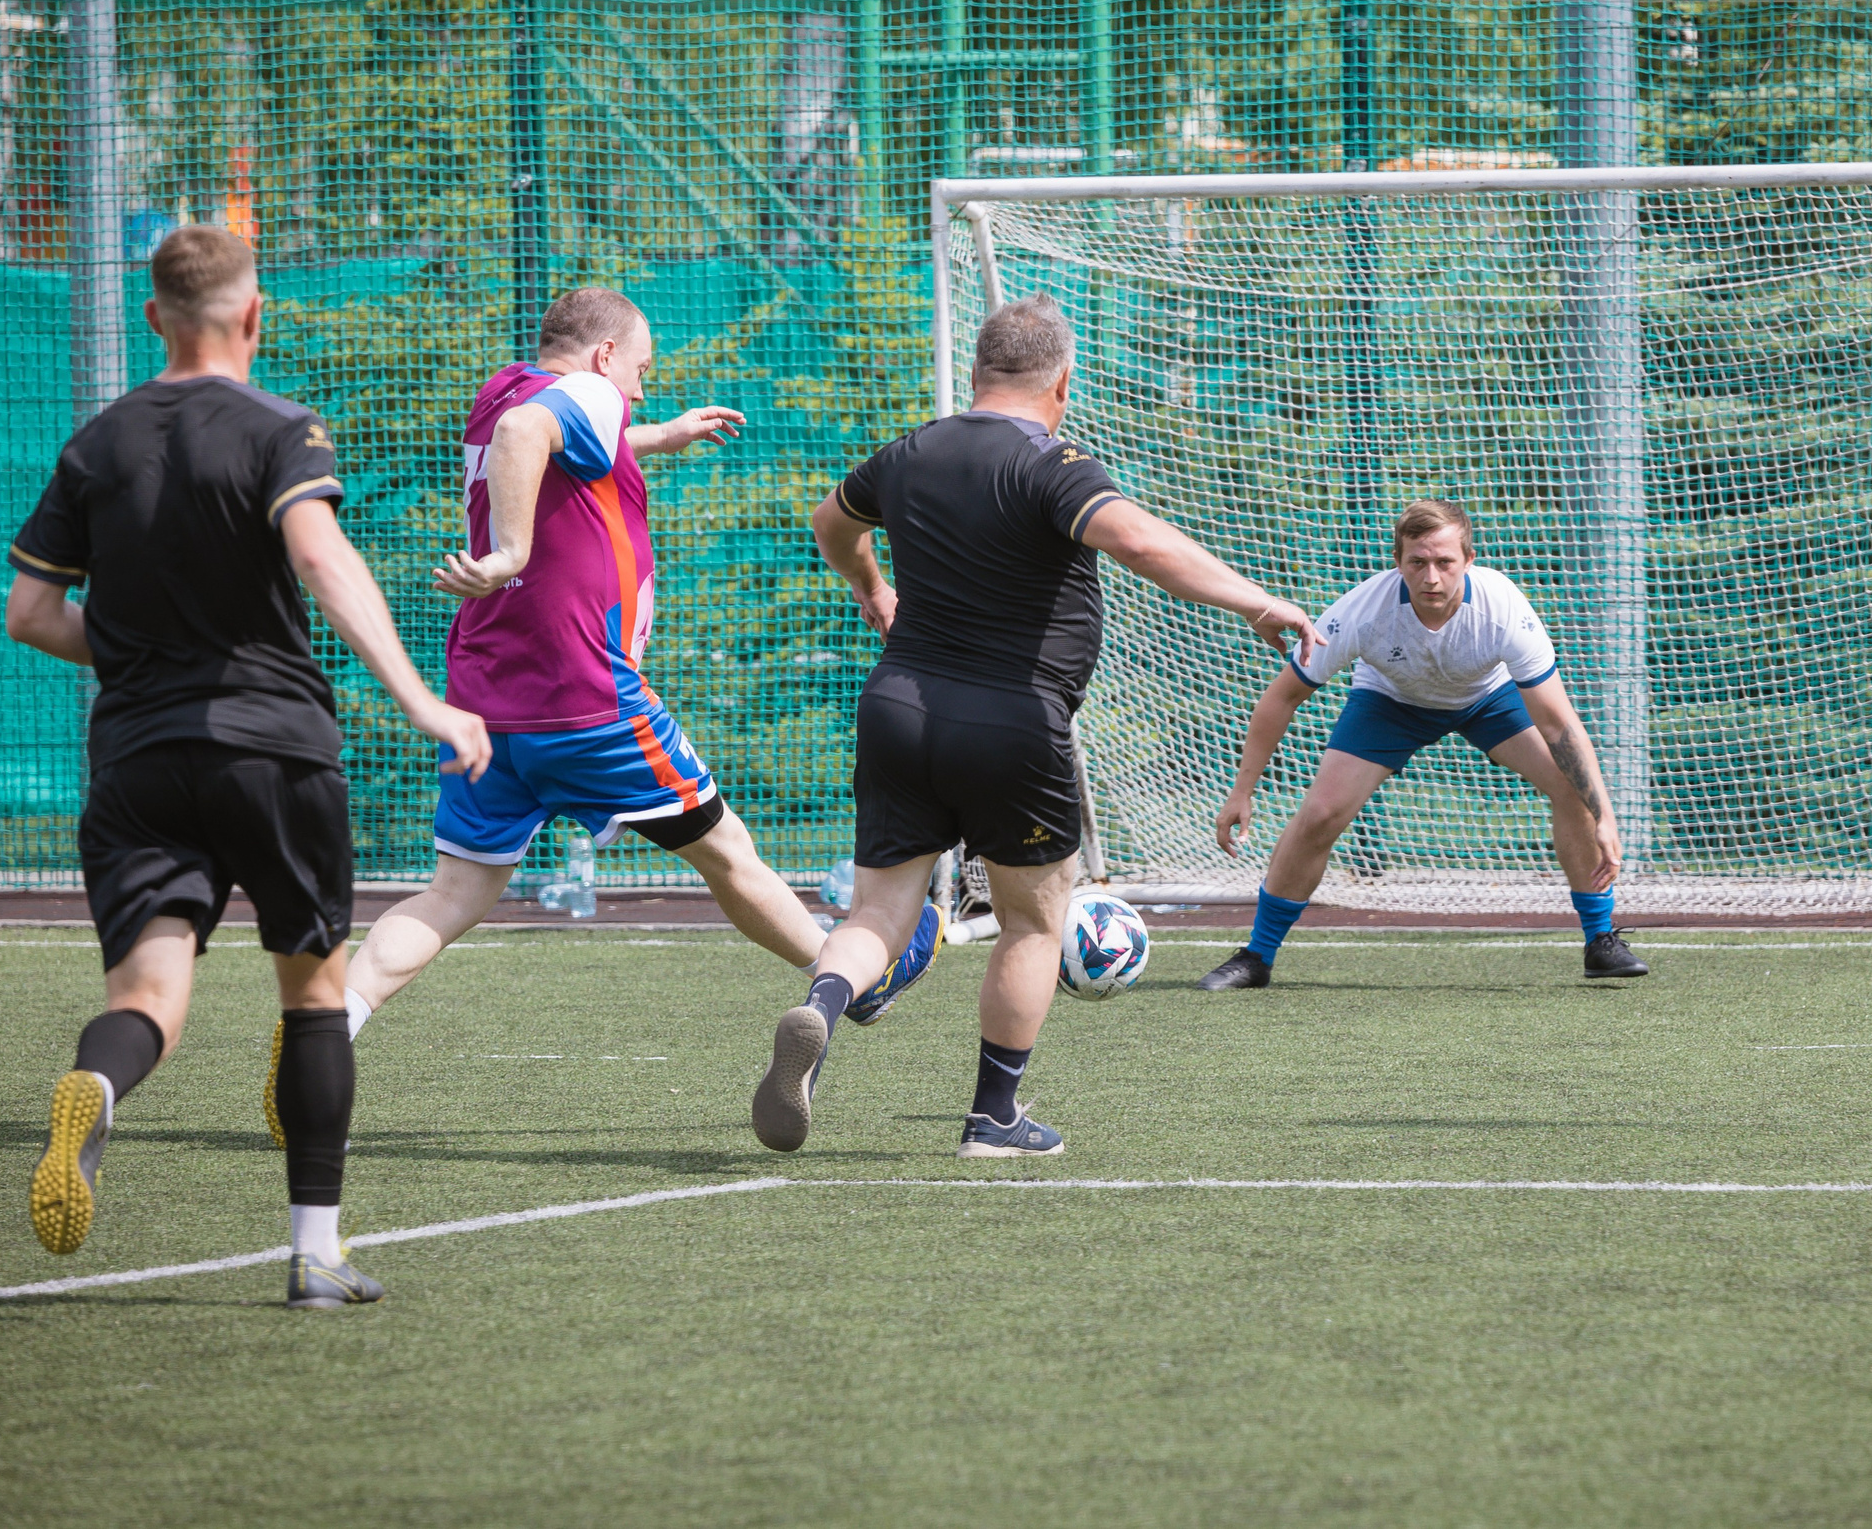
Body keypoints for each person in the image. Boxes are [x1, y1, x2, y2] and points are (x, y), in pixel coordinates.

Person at [264, 288, 939, 1137]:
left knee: (453, 892)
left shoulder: (503, 389)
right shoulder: (575, 395)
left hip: (487, 702)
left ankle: (330, 1028)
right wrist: (510, 553)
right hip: (587, 702)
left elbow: (540, 436)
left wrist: (660, 436)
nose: (642, 391)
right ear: (605, 355)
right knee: (730, 855)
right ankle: (850, 981)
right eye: (641, 371)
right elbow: (534, 434)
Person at [4, 225, 491, 1309]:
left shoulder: (96, 443)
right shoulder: (280, 427)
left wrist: (141, 653)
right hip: (272, 749)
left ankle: (98, 1084)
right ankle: (315, 1254)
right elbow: (318, 552)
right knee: (313, 998)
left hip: (137, 757)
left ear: (153, 318)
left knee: (147, 996)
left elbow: (30, 612)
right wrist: (421, 700)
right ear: (254, 314)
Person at [754, 293, 1321, 1157]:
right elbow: (1138, 541)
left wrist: (872, 588)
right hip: (1010, 721)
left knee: (879, 909)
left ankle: (821, 1010)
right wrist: (1256, 601)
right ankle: (994, 1119)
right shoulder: (1050, 462)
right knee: (1030, 921)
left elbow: (832, 522)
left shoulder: (909, 451)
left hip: (898, 707)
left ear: (978, 372)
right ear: (1063, 382)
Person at [1201, 500, 1646, 989]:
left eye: (1444, 562)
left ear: (1468, 560)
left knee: (1574, 789)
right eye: (1417, 562)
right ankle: (1257, 956)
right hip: (1390, 702)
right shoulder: (1362, 611)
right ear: (1398, 561)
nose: (1431, 577)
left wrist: (1604, 814)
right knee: (1321, 813)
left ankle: (1600, 940)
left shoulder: (1503, 609)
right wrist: (1241, 791)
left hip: (1486, 698)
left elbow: (1559, 725)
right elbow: (1281, 697)